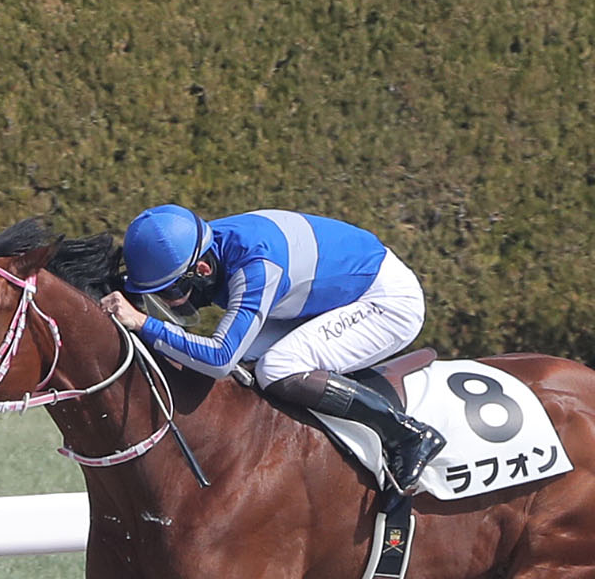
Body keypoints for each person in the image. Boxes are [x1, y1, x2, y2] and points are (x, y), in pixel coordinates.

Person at [107, 204, 449, 490]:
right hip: (325, 296)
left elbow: (219, 358)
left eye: (169, 292)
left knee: (276, 368)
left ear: (203, 269)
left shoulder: (255, 268)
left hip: (385, 302)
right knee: (247, 357)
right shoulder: (201, 245)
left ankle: (406, 435)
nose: (169, 302)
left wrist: (143, 323)